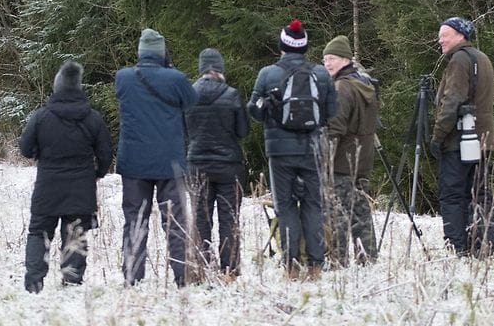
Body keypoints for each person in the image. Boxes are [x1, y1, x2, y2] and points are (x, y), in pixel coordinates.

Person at [248, 19, 336, 280]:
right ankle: (316, 266)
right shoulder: (321, 74)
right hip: (313, 148)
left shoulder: (267, 74)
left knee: (285, 206)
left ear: (282, 45)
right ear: (305, 46)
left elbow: (254, 111)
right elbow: (332, 113)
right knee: (313, 205)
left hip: (279, 151)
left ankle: (291, 266)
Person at [19, 61, 112, 293]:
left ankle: (34, 283)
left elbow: (25, 148)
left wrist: (39, 153)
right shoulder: (93, 118)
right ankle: (71, 281)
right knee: (75, 233)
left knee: (39, 233)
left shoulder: (41, 117)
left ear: (57, 88)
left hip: (47, 187)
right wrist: (97, 173)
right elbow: (106, 153)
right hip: (81, 188)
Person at [115, 28, 198, 287]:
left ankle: (133, 276)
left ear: (140, 52)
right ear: (162, 53)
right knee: (175, 222)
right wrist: (169, 69)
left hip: (134, 162)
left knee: (135, 220)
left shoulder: (123, 78)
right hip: (168, 162)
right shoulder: (176, 78)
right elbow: (191, 101)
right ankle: (182, 275)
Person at [430, 17, 494, 258]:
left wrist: (438, 136)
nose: (440, 39)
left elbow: (452, 101)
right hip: (484, 139)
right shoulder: (482, 58)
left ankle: (457, 246)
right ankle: (487, 243)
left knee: (453, 194)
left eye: (445, 34)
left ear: (460, 35)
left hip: (459, 141)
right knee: (480, 192)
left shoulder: (459, 60)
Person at [185, 48, 249, 281]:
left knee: (201, 218)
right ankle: (229, 270)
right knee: (229, 218)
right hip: (228, 165)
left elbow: (185, 130)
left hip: (197, 164)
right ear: (220, 69)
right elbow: (243, 131)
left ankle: (202, 267)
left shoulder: (189, 94)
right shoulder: (231, 95)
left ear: (202, 69)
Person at [322, 35, 381, 266]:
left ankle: (337, 260)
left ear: (346, 59)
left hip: (342, 163)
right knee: (361, 213)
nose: (327, 63)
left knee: (337, 212)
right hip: (361, 159)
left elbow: (334, 128)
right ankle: (368, 258)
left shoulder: (341, 88)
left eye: (332, 59)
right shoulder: (366, 84)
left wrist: (325, 161)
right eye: (325, 59)